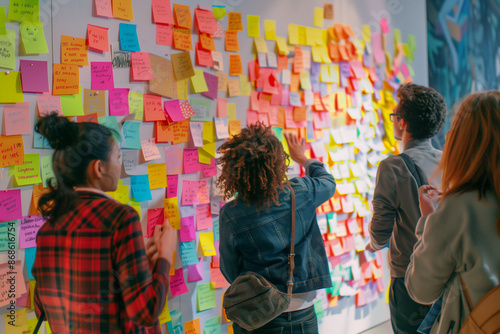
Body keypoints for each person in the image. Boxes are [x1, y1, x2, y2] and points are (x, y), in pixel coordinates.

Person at [32, 113, 177, 333]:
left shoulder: (46, 231)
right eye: (117, 157)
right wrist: (165, 256)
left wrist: (138, 268)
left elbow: (42, 306)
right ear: (98, 168)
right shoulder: (121, 218)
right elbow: (145, 312)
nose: (119, 166)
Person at [217, 123, 336, 334]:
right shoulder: (300, 191)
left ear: (234, 170)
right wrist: (303, 158)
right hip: (302, 312)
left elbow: (231, 272)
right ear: (277, 164)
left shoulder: (232, 213)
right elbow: (328, 182)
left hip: (258, 315)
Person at [406, 91, 500, 334]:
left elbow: (420, 289)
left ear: (464, 141)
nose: (448, 135)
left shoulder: (459, 208)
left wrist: (428, 219)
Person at [367, 83, 447, 333]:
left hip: (409, 276)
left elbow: (381, 230)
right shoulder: (449, 160)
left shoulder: (393, 167)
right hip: (447, 271)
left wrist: (374, 243)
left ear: (402, 122)